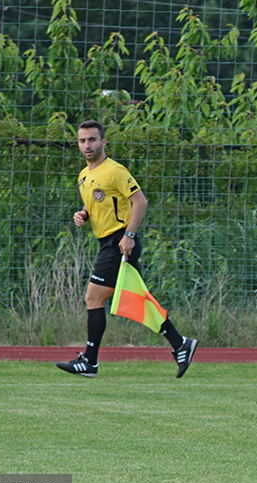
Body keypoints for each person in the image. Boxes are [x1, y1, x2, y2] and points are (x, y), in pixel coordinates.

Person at [55, 120, 197, 379]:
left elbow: (140, 201)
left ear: (103, 142)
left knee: (93, 298)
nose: (87, 145)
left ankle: (90, 361)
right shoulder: (84, 176)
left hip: (119, 242)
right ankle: (181, 344)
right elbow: (99, 204)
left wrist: (129, 236)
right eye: (82, 141)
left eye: (92, 140)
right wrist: (83, 214)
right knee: (136, 299)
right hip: (108, 243)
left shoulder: (115, 171)